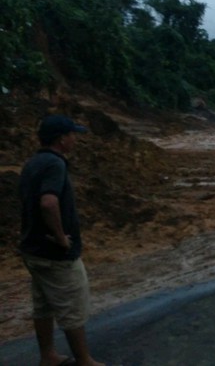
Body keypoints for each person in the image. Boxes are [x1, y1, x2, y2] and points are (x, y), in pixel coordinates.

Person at [18, 114, 105, 366]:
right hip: (54, 252)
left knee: (43, 305)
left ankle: (48, 355)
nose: (75, 139)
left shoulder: (32, 163)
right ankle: (85, 361)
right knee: (72, 306)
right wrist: (61, 238)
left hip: (33, 248)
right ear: (61, 139)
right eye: (72, 135)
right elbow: (48, 202)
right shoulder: (56, 164)